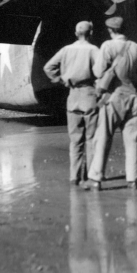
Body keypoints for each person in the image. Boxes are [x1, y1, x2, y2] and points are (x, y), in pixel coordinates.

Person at [86, 16, 137, 191]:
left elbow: (97, 71)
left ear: (110, 31)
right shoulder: (136, 47)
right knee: (132, 140)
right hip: (132, 97)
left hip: (113, 97)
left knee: (103, 136)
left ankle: (96, 178)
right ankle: (133, 179)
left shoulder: (108, 46)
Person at [43, 21, 100, 185]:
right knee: (91, 139)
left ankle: (74, 177)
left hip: (73, 97)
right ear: (91, 33)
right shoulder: (94, 50)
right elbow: (104, 70)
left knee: (75, 141)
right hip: (89, 95)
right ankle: (91, 176)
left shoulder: (66, 50)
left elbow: (48, 67)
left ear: (76, 33)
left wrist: (60, 80)